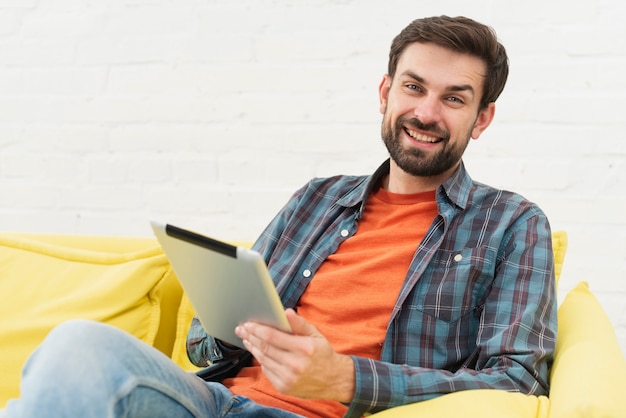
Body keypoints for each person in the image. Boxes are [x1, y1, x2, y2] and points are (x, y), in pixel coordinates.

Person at [2, 15, 556, 418]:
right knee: (75, 344)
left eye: (454, 99)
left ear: (481, 119)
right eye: (413, 88)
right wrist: (237, 328)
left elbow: (517, 381)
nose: (426, 112)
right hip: (214, 401)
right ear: (386, 92)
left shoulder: (510, 224)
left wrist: (342, 378)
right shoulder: (316, 200)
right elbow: (201, 343)